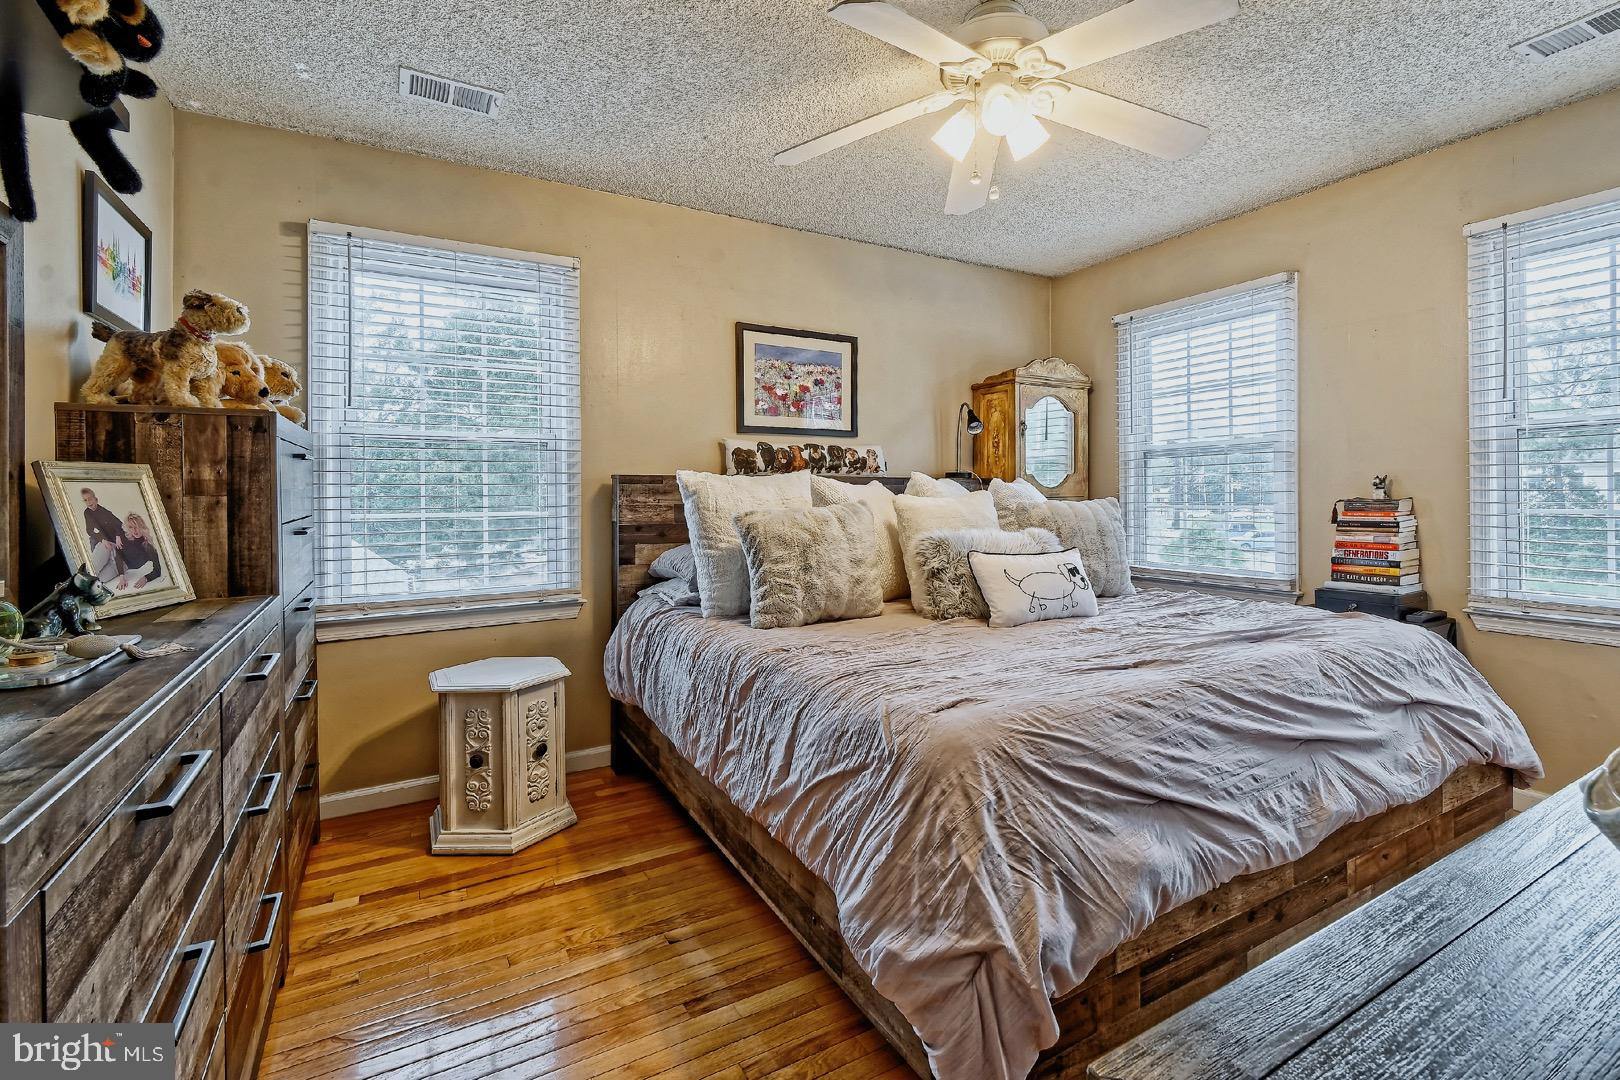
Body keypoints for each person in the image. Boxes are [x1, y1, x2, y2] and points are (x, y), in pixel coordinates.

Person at [81, 487, 126, 585]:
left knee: (99, 579)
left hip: (114, 547)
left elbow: (119, 523)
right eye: (85, 500)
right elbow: (89, 530)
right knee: (93, 570)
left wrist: (118, 536)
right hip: (103, 544)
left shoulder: (105, 512)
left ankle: (95, 573)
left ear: (96, 499)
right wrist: (102, 540)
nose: (88, 502)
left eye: (90, 499)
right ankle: (87, 577)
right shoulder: (87, 513)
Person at [116, 512, 162, 591]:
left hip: (123, 567)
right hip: (116, 560)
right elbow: (118, 554)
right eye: (131, 527)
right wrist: (121, 577)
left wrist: (146, 578)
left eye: (136, 526)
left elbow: (157, 570)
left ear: (142, 526)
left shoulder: (148, 546)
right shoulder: (126, 536)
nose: (134, 530)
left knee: (101, 577)